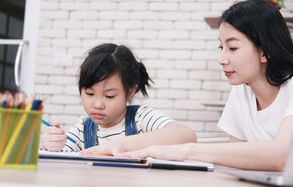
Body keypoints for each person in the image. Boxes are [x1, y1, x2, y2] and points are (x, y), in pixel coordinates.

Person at [118, 0, 293, 171]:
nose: (221, 59)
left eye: (232, 48)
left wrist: (187, 150)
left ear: (265, 51)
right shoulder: (241, 90)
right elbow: (236, 159)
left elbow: (281, 156)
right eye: (221, 47)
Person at [41, 43, 196, 153]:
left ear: (130, 92)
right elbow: (58, 159)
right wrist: (50, 146)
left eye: (109, 96)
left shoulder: (141, 119)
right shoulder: (83, 130)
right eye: (89, 93)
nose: (98, 104)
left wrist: (121, 144)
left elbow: (186, 136)